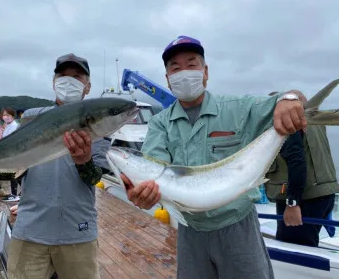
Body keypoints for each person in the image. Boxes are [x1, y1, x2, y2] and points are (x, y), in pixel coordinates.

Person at [121, 35, 308, 279]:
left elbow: (293, 98)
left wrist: (290, 99)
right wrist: (146, 196)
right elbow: (154, 172)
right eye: (175, 68)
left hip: (239, 227)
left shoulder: (237, 108)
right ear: (167, 79)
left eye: (192, 64)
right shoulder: (159, 124)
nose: (184, 72)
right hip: (190, 232)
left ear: (205, 72)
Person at [5, 52, 110, 279]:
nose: (68, 80)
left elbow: (95, 179)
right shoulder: (32, 118)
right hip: (30, 229)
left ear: (88, 87)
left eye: (77, 76)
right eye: (63, 75)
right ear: (54, 83)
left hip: (78, 232)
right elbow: (12, 165)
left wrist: (84, 162)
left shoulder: (99, 126)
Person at [265, 92, 339, 247]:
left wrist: (292, 203)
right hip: (325, 193)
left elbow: (297, 161)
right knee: (309, 242)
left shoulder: (290, 121)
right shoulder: (316, 123)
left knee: (293, 250)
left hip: (304, 197)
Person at [1, 107, 21, 202]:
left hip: (13, 154)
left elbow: (11, 140)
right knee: (17, 174)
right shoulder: (8, 125)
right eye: (4, 115)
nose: (5, 117)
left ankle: (14, 194)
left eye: (7, 115)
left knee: (14, 174)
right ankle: (21, 192)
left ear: (13, 116)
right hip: (9, 153)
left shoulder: (14, 125)